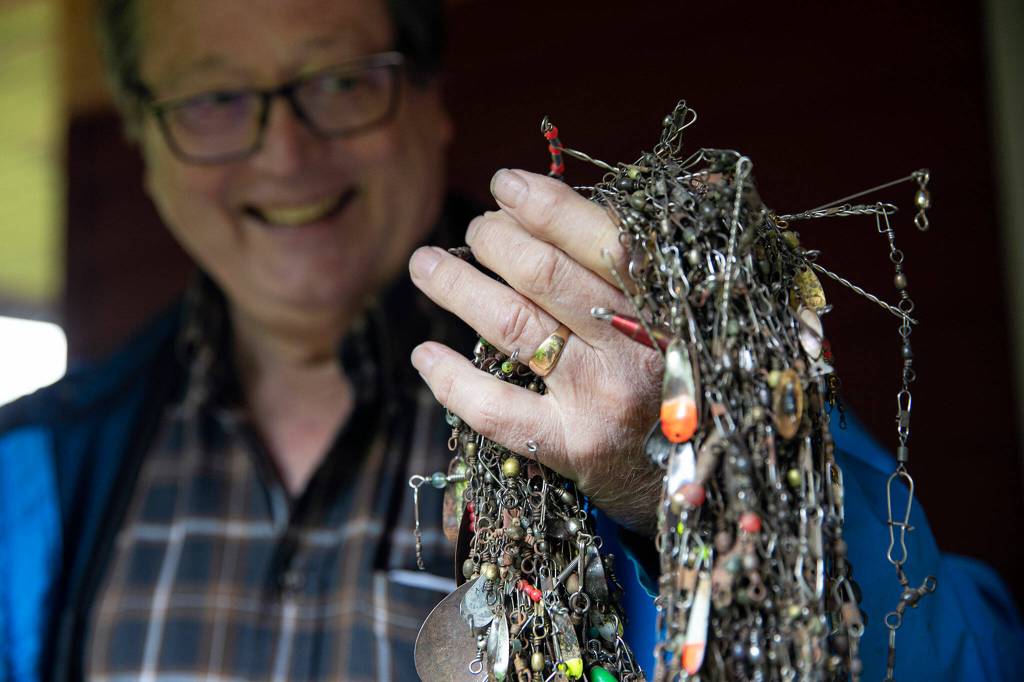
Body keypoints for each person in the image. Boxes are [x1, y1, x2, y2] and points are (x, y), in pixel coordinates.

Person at [0, 1, 1020, 681]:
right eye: (216, 98)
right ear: (144, 140)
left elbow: (957, 658)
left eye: (341, 79)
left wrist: (696, 482)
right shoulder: (31, 474)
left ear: (429, 100)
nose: (286, 151)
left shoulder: (662, 365)